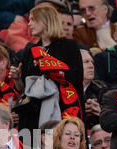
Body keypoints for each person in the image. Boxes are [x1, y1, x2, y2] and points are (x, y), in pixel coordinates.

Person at [22, 4, 84, 132]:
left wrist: (52, 72)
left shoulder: (69, 46)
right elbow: (26, 85)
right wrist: (18, 77)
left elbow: (76, 78)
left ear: (45, 21)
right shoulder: (30, 50)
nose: (29, 24)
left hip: (64, 109)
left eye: (33, 19)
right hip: (35, 113)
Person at [4, 0, 69, 54]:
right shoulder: (21, 24)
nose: (52, 13)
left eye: (56, 10)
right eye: (48, 9)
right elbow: (16, 41)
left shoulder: (64, 26)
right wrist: (38, 50)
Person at [81, 49, 107, 128]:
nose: (91, 66)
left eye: (92, 62)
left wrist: (101, 112)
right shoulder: (61, 89)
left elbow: (113, 122)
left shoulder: (102, 89)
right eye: (86, 62)